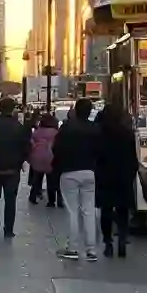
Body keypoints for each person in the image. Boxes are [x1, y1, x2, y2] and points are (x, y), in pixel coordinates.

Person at [52, 99, 101, 261]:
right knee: (89, 210)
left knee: (72, 211)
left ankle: (72, 248)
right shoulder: (95, 129)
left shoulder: (67, 128)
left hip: (69, 171)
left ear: (75, 111)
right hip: (90, 172)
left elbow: (56, 148)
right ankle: (91, 250)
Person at [96, 103, 139, 259]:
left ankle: (108, 242)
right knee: (123, 210)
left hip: (105, 175)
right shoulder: (127, 134)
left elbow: (97, 155)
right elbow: (133, 157)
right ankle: (122, 237)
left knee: (106, 210)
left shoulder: (100, 133)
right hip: (123, 175)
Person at [0, 97, 30, 238]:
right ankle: (8, 229)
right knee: (10, 200)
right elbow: (25, 148)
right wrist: (21, 161)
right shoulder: (19, 127)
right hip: (12, 170)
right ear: (13, 109)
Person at [28, 112, 61, 207]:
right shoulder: (55, 132)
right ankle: (51, 201)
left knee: (37, 178)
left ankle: (33, 196)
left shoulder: (37, 132)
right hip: (50, 157)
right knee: (51, 180)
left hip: (37, 157)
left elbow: (31, 142)